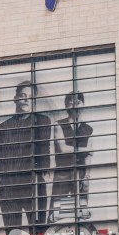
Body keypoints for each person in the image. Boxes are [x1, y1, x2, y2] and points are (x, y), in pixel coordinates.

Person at [0, 81, 52, 229]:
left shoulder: (42, 121)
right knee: (13, 234)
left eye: (30, 97)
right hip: (9, 187)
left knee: (38, 230)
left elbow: (45, 150)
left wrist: (42, 174)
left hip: (33, 184)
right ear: (15, 98)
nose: (26, 100)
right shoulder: (2, 128)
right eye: (23, 96)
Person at [50, 91, 92, 221]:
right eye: (71, 102)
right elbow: (62, 149)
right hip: (63, 172)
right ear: (66, 105)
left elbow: (89, 155)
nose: (75, 105)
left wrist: (87, 176)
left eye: (78, 102)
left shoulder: (88, 128)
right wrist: (85, 149)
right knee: (55, 213)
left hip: (81, 171)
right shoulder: (59, 125)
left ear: (83, 104)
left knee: (82, 212)